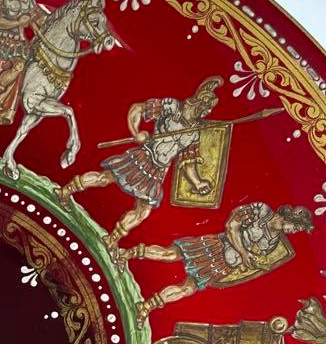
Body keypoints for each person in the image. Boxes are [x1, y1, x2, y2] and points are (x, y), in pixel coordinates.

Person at [60, 77, 223, 249]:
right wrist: (135, 132)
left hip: (158, 171)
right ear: (198, 102)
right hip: (144, 156)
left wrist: (197, 183)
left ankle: (111, 240)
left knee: (143, 211)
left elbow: (188, 163)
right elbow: (138, 109)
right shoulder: (172, 107)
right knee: (105, 178)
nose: (206, 112)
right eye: (205, 107)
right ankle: (65, 191)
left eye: (209, 109)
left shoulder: (194, 134)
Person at [122, 202, 314, 323]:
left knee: (187, 289)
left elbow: (254, 257)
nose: (294, 231)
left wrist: (251, 262)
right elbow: (231, 225)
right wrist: (243, 252)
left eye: (298, 230)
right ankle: (127, 253)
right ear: (291, 217)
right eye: (296, 227)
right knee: (170, 255)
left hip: (224, 266)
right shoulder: (261, 211)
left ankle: (146, 307)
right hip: (216, 246)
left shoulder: (274, 242)